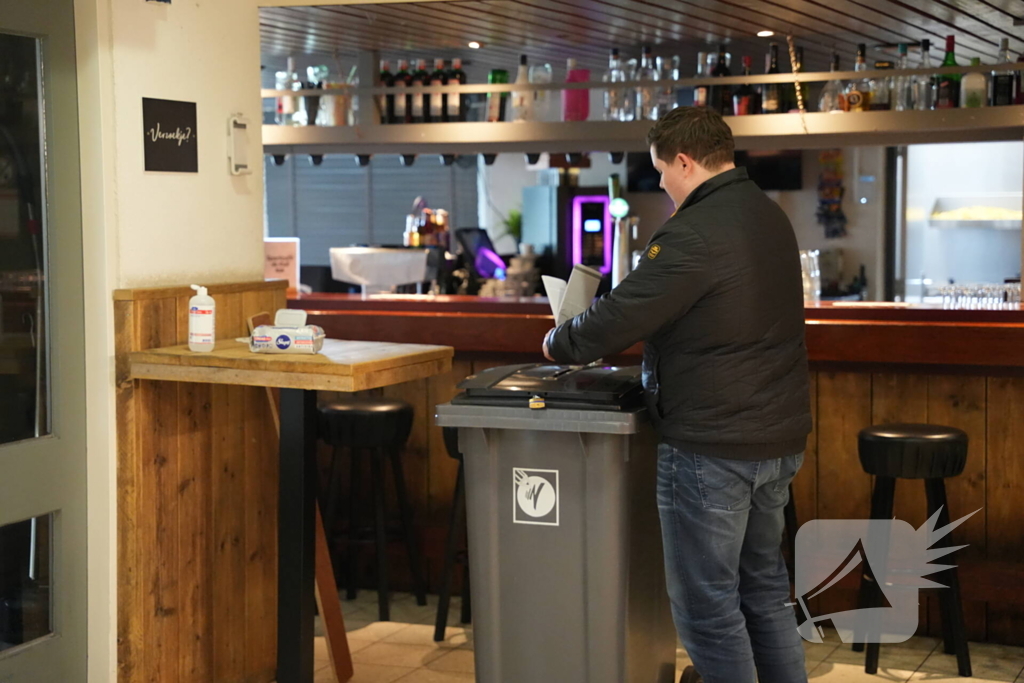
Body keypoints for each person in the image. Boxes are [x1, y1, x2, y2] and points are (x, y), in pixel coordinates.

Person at [542, 106, 811, 683]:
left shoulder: (693, 230)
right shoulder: (769, 215)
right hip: (776, 439)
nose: (661, 182)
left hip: (714, 446)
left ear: (685, 161)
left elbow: (618, 316)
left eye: (662, 169)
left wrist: (558, 341)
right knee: (763, 592)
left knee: (708, 607)